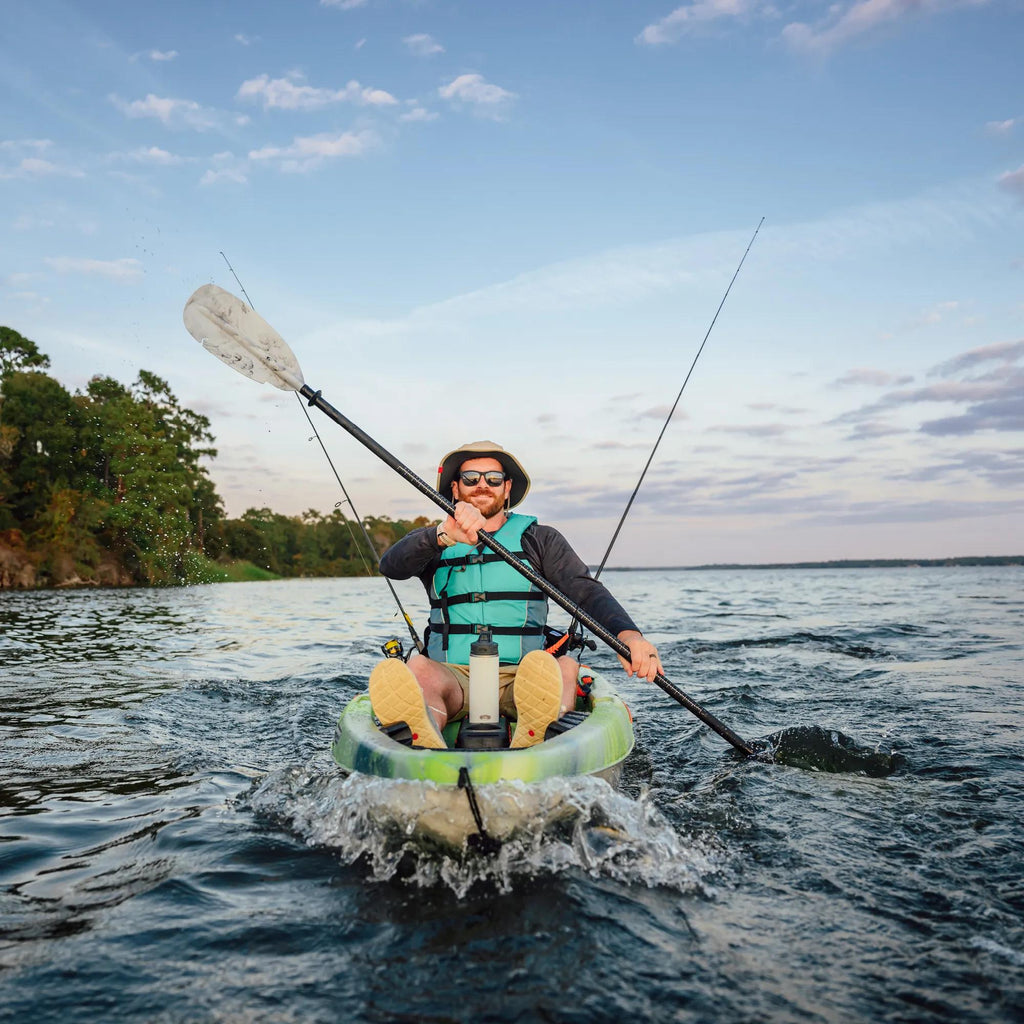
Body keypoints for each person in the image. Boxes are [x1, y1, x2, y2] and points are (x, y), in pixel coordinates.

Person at [368, 440, 661, 750]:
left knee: (562, 667)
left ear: (507, 488)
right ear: (455, 488)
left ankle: (539, 733)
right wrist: (443, 535)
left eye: (493, 478)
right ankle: (424, 734)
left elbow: (585, 591)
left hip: (525, 675)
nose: (482, 485)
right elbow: (391, 566)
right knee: (418, 668)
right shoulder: (434, 540)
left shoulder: (539, 539)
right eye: (471, 478)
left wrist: (629, 637)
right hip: (452, 678)